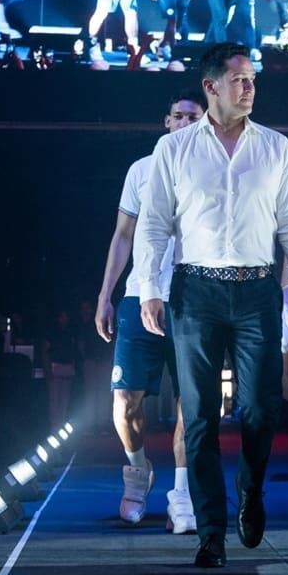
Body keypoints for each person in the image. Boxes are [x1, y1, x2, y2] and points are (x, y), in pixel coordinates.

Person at [133, 43, 288, 568]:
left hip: (258, 290)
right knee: (198, 415)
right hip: (195, 291)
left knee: (262, 408)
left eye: (253, 79)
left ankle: (251, 490)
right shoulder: (173, 149)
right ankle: (211, 530)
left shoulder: (277, 147)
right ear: (211, 87)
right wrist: (148, 288)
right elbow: (153, 223)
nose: (249, 88)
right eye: (239, 79)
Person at [97, 94, 205, 530]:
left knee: (191, 402)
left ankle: (182, 492)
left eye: (193, 116)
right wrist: (105, 295)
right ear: (166, 122)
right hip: (138, 296)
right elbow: (123, 235)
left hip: (194, 301)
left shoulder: (216, 170)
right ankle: (138, 472)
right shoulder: (141, 171)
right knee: (126, 402)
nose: (185, 122)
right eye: (179, 116)